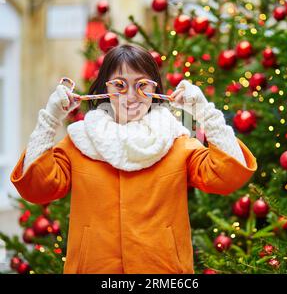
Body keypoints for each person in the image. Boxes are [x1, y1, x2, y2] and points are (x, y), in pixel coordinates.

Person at [10, 44, 257, 274]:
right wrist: (50, 119)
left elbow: (227, 177)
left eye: (142, 85)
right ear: (104, 89)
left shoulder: (175, 142)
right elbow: (37, 188)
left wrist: (205, 112)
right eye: (119, 85)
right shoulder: (80, 142)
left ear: (155, 90)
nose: (131, 96)